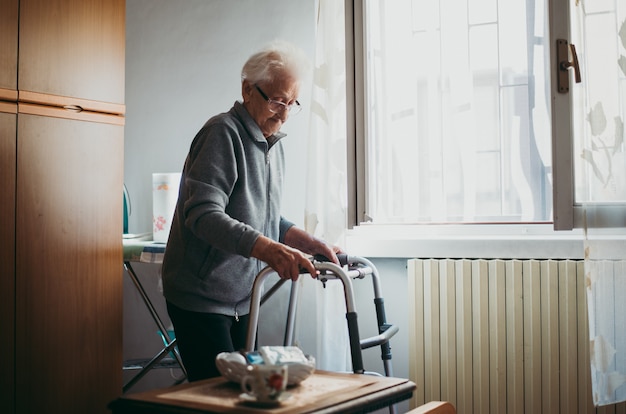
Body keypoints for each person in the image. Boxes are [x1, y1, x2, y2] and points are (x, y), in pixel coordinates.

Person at [161, 40, 342, 381]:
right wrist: (267, 248)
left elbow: (263, 219)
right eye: (277, 101)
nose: (284, 113)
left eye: (292, 103)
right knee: (220, 397)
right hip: (203, 298)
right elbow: (203, 215)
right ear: (247, 89)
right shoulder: (221, 134)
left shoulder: (270, 144)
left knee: (248, 391)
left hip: (245, 297)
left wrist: (308, 242)